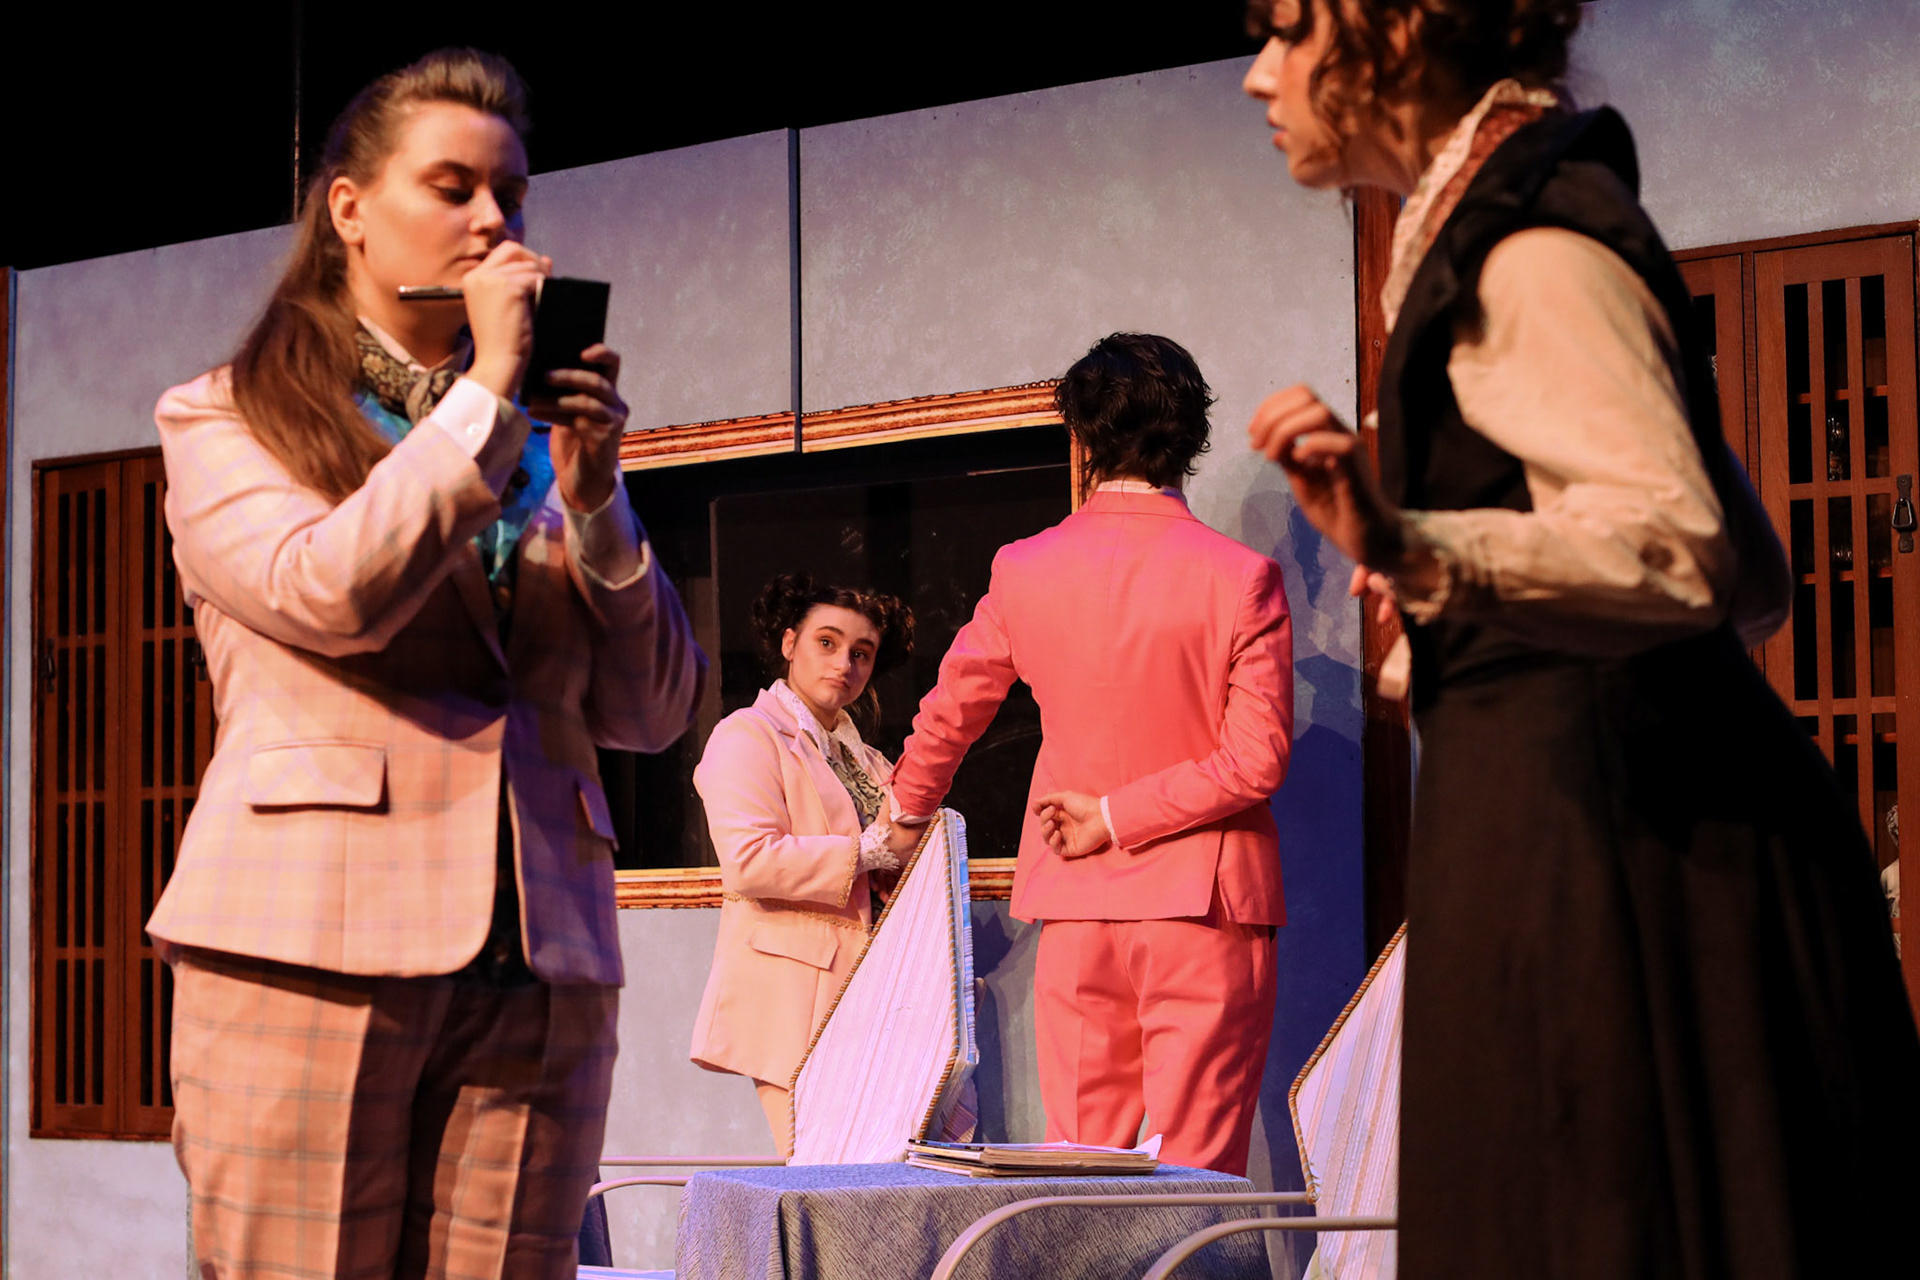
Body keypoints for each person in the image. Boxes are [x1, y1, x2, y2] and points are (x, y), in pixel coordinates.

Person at [1241, 2, 1920, 1275]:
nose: (1257, 75)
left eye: (1285, 27)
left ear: (1401, 25)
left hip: (1629, 849)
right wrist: (1449, 620)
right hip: (1584, 821)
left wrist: (1417, 545)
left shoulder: (1528, 244)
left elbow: (1685, 552)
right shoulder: (1498, 228)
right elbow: (1754, 573)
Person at [147, 49, 705, 1279]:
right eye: (453, 187)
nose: (495, 219)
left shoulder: (533, 445)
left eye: (511, 193)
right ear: (350, 208)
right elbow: (331, 592)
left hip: (540, 954)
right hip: (308, 941)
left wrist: (599, 502)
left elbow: (655, 709)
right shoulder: (228, 413)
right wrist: (491, 391)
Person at [886, 333, 1294, 1177]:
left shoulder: (1024, 568)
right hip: (1203, 903)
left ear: (1082, 437)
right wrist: (1117, 815)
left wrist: (904, 815)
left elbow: (950, 712)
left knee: (1077, 1174)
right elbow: (1256, 762)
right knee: (1194, 1181)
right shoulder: (1241, 576)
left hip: (1074, 903)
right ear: (1191, 435)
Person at [689, 574, 914, 1155]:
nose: (844, 663)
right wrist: (864, 852)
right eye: (827, 642)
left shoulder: (866, 758)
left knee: (880, 1179)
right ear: (789, 643)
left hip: (870, 990)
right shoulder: (747, 735)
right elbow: (748, 861)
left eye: (861, 653)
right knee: (821, 1171)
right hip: (792, 991)